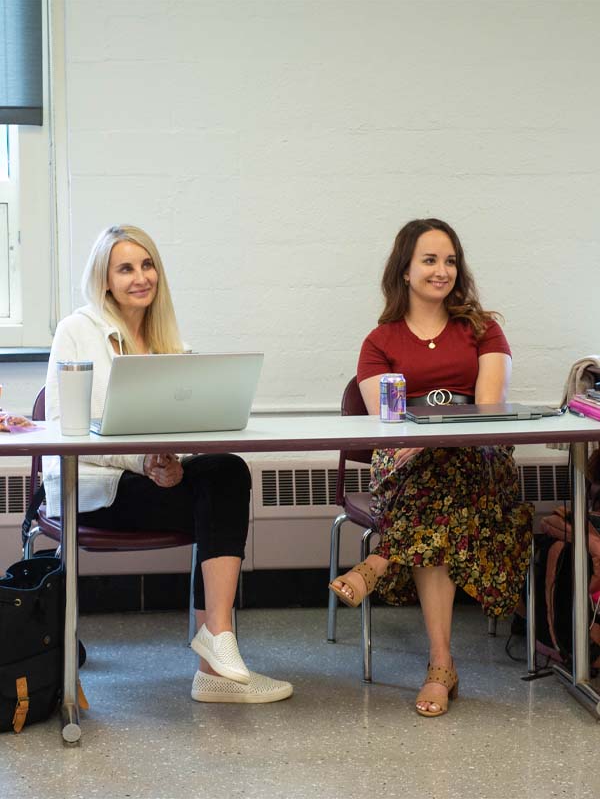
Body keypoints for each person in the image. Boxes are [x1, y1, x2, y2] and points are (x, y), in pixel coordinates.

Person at [43, 224, 292, 704]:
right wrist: (145, 461)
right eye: (126, 268)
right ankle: (217, 657)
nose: (141, 277)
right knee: (215, 500)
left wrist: (178, 462)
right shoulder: (76, 330)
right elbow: (63, 426)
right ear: (105, 279)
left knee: (227, 471)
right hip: (95, 489)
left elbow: (184, 426)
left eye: (148, 264)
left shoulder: (166, 337)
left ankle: (216, 648)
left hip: (151, 483)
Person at [329, 218, 532, 717]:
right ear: (404, 269)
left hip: (478, 460)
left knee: (445, 471)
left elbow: (486, 414)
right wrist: (422, 441)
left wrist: (429, 437)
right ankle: (441, 663)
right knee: (434, 485)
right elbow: (388, 420)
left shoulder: (483, 328)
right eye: (429, 260)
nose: (442, 270)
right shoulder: (380, 341)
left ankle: (383, 560)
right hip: (406, 468)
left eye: (449, 260)